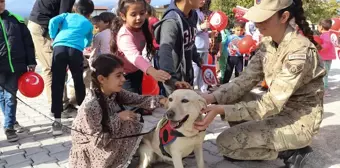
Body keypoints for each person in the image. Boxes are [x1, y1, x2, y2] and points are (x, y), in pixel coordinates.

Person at [194, 0, 326, 167]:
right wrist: (211, 97)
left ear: (284, 16)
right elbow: (243, 81)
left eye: (264, 18)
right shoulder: (268, 44)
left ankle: (292, 151)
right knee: (233, 95)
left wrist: (221, 110)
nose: (257, 24)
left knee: (225, 143)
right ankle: (257, 137)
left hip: (297, 121)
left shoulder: (299, 51)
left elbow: (271, 104)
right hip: (278, 112)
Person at [69, 54, 167, 168]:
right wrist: (118, 118)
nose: (123, 79)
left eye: (123, 75)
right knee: (129, 122)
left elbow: (137, 99)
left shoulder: (114, 92)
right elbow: (98, 141)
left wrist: (163, 100)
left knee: (135, 119)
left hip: (104, 141)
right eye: (118, 76)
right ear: (102, 79)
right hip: (92, 152)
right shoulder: (91, 105)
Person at [110, 0, 171, 118]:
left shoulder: (144, 27)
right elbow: (134, 56)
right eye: (133, 14)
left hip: (136, 72)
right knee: (132, 113)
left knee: (137, 104)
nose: (139, 18)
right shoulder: (124, 35)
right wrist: (152, 71)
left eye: (142, 13)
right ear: (123, 16)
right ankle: (133, 132)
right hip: (123, 77)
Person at [48, 0, 94, 135]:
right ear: (90, 13)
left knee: (57, 83)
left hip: (59, 48)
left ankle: (57, 121)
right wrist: (82, 44)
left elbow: (52, 22)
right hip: (75, 51)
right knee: (78, 81)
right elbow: (89, 40)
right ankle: (83, 117)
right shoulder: (88, 24)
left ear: (75, 8)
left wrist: (53, 37)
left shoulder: (67, 16)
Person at [27, 0, 76, 115]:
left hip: (42, 23)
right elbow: (63, 17)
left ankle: (62, 104)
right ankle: (57, 107)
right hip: (41, 26)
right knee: (52, 67)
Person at [0, 0, 37, 142]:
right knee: (2, 96)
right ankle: (12, 121)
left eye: (2, 1)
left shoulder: (16, 20)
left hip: (16, 66)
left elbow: (28, 43)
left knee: (10, 97)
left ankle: (9, 127)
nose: (1, 4)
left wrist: (31, 62)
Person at [153, 0, 202, 96]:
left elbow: (190, 40)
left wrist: (197, 57)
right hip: (176, 81)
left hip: (187, 75)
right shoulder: (171, 21)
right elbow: (164, 51)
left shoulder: (193, 15)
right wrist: (172, 80)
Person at [318, 19, 337, 97]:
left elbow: (325, 46)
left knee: (324, 74)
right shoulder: (330, 34)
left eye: (318, 26)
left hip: (324, 58)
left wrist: (317, 48)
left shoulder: (325, 35)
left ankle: (325, 90)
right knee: (324, 74)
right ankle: (323, 89)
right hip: (327, 58)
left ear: (321, 27)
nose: (317, 28)